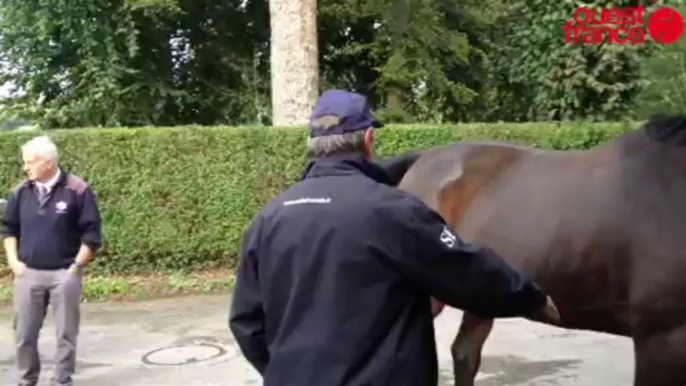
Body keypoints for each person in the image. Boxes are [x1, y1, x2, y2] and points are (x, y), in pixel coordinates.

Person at [228, 89, 559, 385]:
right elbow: (464, 268)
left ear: (313, 146)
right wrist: (528, 296)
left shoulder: (268, 218)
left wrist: (285, 372)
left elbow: (246, 321)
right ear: (368, 140)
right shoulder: (395, 211)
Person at [1, 135, 102, 386]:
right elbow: (8, 230)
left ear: (48, 162)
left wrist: (75, 268)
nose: (25, 167)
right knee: (24, 334)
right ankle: (27, 380)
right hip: (28, 274)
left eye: (29, 162)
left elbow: (92, 235)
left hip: (64, 275)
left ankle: (62, 381)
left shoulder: (78, 190)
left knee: (65, 335)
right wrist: (14, 263)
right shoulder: (20, 192)